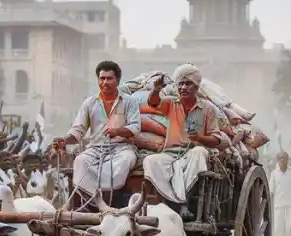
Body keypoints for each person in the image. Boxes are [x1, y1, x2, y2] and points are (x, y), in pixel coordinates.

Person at [142, 63, 227, 211]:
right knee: (150, 160)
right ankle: (170, 201)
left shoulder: (207, 108)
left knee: (200, 153)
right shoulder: (171, 103)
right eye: (180, 84)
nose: (183, 88)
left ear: (196, 87)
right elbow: (153, 103)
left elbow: (216, 139)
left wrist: (199, 138)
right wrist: (156, 90)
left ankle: (183, 203)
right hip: (170, 153)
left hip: (193, 153)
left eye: (188, 84)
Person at [56, 61, 140, 208]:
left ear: (117, 80)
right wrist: (64, 140)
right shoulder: (90, 103)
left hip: (122, 148)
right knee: (80, 161)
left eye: (109, 78)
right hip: (95, 149)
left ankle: (109, 205)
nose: (105, 82)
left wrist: (118, 131)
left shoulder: (129, 101)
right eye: (102, 78)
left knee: (125, 162)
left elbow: (135, 127)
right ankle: (90, 206)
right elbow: (78, 130)